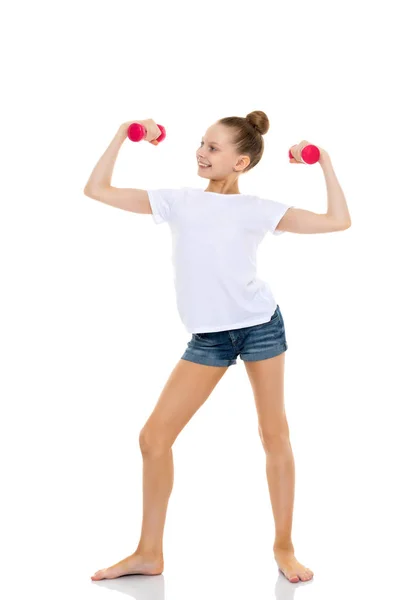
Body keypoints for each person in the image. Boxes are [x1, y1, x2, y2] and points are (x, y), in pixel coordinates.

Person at [84, 110, 351, 584]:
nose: (200, 153)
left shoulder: (259, 210)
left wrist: (323, 161)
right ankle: (149, 552)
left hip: (260, 326)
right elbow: (97, 190)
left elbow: (338, 221)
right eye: (201, 144)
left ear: (240, 162)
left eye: (212, 148)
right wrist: (122, 134)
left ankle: (284, 547)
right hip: (209, 338)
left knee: (274, 435)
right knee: (153, 439)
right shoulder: (178, 201)